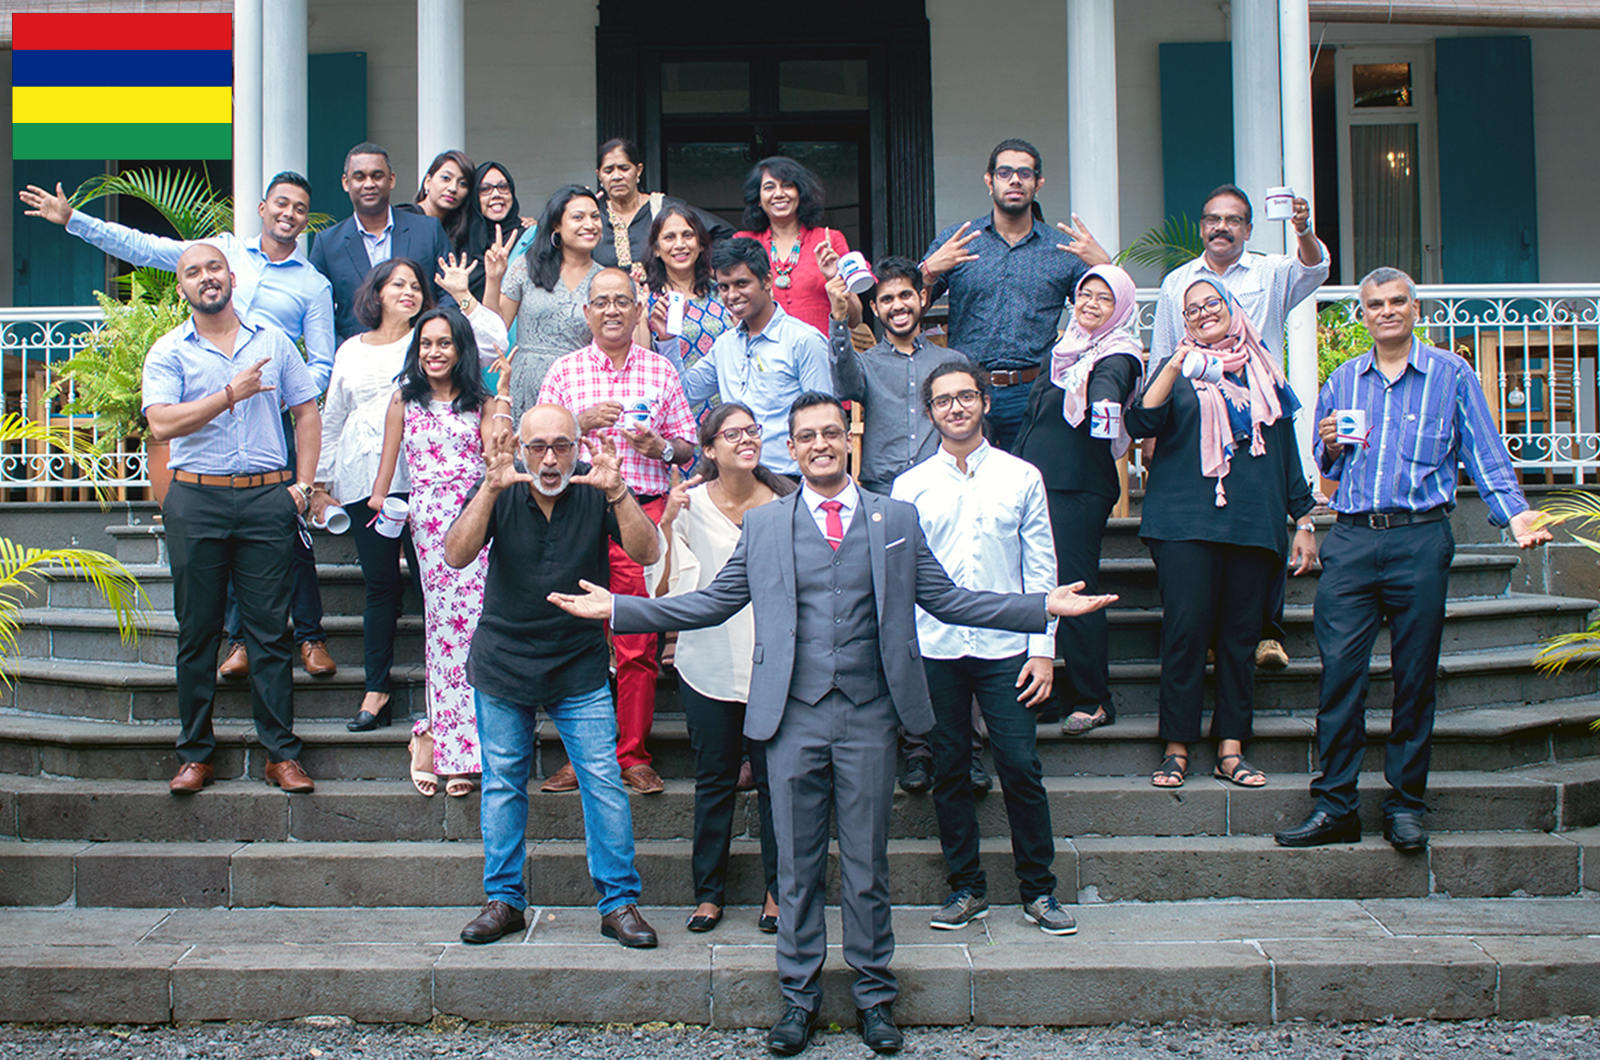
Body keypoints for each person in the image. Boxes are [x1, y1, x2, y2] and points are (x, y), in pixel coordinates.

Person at [549, 392, 1116, 1057]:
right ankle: (798, 999)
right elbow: (712, 602)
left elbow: (948, 598)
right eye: (805, 436)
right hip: (789, 718)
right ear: (791, 447)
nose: (818, 444)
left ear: (847, 439)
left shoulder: (894, 517)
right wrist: (620, 608)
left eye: (829, 433)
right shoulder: (765, 526)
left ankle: (876, 997)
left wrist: (1037, 607)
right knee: (795, 866)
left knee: (868, 866)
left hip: (871, 717)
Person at [21, 171, 339, 679]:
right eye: (282, 203)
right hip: (210, 415)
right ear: (262, 207)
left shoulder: (313, 283)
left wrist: (286, 393)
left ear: (306, 219)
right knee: (225, 527)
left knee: (285, 529)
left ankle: (309, 635)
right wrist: (74, 220)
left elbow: (323, 358)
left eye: (300, 207)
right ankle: (237, 640)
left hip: (269, 413)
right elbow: (143, 246)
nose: (289, 214)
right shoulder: (219, 253)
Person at [1275, 268, 1551, 852]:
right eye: (1374, 304)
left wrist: (1516, 515)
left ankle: (1405, 805)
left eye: (1397, 301)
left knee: (1415, 678)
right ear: (1363, 314)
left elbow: (1484, 452)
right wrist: (1327, 442)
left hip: (1420, 539)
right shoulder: (1343, 380)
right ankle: (1335, 806)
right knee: (1340, 677)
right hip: (1350, 541)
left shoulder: (1451, 374)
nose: (1386, 311)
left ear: (1415, 308)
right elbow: (1327, 474)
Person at [444, 406, 660, 950]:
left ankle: (619, 903)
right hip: (503, 659)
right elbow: (455, 554)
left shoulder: (594, 488)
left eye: (562, 446)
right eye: (537, 446)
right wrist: (489, 492)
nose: (548, 458)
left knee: (603, 781)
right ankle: (504, 901)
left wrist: (617, 492)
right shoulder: (500, 485)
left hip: (577, 662)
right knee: (502, 783)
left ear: (578, 447)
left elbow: (648, 550)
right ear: (519, 445)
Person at [892, 362, 1077, 937]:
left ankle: (1039, 891)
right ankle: (966, 887)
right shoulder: (910, 486)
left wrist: (1042, 649)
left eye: (966, 396)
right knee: (949, 770)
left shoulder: (1021, 476)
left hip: (1006, 648)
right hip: (937, 648)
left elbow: (1041, 567)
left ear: (985, 403)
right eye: (943, 400)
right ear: (929, 412)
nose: (956, 408)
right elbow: (901, 577)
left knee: (1020, 765)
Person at [142, 243, 322, 796]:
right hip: (196, 500)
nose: (206, 278)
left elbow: (307, 411)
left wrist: (303, 486)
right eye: (193, 272)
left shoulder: (271, 341)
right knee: (197, 632)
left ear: (231, 276)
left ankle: (281, 755)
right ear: (182, 289)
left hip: (267, 499)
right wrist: (228, 394)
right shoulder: (169, 351)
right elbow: (162, 424)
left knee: (271, 633)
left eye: (213, 268)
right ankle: (196, 754)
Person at [1123, 279, 1317, 790]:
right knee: (1185, 634)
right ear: (1182, 323)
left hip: (1254, 520)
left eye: (1213, 304)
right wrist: (1172, 361)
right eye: (1192, 311)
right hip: (1184, 522)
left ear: (1233, 309)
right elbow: (1141, 420)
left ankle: (1231, 747)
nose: (1204, 313)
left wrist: (1305, 520)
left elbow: (1286, 453)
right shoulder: (1178, 372)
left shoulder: (1265, 372)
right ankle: (1176, 747)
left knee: (1239, 640)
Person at [314, 255, 508, 735]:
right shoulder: (353, 352)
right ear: (375, 292)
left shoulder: (439, 340)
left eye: (416, 284)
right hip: (372, 482)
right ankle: (377, 691)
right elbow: (333, 415)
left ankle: (469, 699)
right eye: (396, 283)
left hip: (443, 493)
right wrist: (321, 484)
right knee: (381, 587)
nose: (408, 291)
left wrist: (465, 294)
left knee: (451, 597)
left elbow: (488, 344)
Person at [1150, 183, 1331, 670]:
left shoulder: (1271, 271)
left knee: (1263, 518)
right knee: (1213, 532)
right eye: (1213, 219)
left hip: (1258, 408)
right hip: (1201, 415)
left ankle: (1266, 632)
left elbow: (1314, 268)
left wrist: (1303, 230)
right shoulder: (1177, 282)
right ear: (1203, 226)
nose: (1221, 227)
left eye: (1233, 220)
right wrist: (1154, 430)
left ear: (1248, 229)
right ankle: (1213, 636)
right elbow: (1165, 350)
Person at [537, 268, 698, 795]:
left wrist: (661, 448)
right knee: (575, 637)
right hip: (577, 511)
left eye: (621, 302)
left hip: (640, 513)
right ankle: (579, 757)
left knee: (635, 638)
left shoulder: (661, 372)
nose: (611, 310)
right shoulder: (564, 372)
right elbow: (535, 441)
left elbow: (689, 448)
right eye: (601, 301)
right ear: (586, 313)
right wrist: (578, 423)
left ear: (636, 311)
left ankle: (631, 753)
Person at [825, 255, 979, 791]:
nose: (896, 306)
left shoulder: (952, 360)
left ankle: (966, 746)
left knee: (956, 609)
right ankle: (915, 747)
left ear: (922, 300)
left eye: (905, 296)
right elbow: (840, 377)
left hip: (948, 499)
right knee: (900, 622)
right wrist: (838, 314)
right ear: (877, 306)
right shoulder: (867, 364)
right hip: (888, 500)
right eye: (886, 299)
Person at [645, 403, 789, 933]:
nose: (745, 440)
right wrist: (664, 518)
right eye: (732, 434)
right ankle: (709, 894)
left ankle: (778, 892)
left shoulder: (785, 503)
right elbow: (659, 588)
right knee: (714, 781)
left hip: (775, 662)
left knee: (778, 784)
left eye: (753, 431)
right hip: (707, 662)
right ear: (708, 448)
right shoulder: (689, 503)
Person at [368, 307, 509, 797]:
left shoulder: (482, 402)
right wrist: (385, 514)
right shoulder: (402, 402)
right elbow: (383, 483)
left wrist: (505, 393)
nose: (434, 352)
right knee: (444, 633)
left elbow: (500, 456)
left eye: (445, 343)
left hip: (478, 516)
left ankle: (469, 747)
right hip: (429, 525)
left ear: (461, 348)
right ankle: (439, 743)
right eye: (426, 344)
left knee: (480, 630)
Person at [1012, 264, 1145, 735]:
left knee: (1075, 588)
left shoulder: (1118, 354)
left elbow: (1110, 384)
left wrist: (1104, 404)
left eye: (1103, 298)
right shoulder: (1065, 351)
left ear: (1120, 308)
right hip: (1038, 487)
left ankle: (1094, 697)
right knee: (1042, 587)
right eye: (1085, 294)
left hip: (1076, 489)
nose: (1090, 304)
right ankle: (1054, 691)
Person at [919, 138, 1111, 448]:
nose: (1014, 180)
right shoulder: (960, 241)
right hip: (966, 389)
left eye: (1025, 173)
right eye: (1004, 172)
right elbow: (911, 308)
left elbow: (1107, 313)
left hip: (1034, 390)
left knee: (1031, 484)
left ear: (1039, 183)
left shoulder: (1062, 249)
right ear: (989, 180)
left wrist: (1105, 266)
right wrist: (927, 271)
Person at [660, 238, 831, 478]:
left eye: (742, 283)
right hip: (736, 481)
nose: (732, 295)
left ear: (767, 281)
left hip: (789, 481)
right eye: (724, 287)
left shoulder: (804, 341)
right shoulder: (725, 345)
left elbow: (821, 420)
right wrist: (668, 341)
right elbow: (684, 394)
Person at [309, 142, 455, 343]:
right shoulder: (327, 243)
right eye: (359, 177)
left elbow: (450, 291)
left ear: (391, 179)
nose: (369, 184)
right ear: (346, 183)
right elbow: (317, 312)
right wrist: (345, 350)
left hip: (420, 355)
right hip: (357, 360)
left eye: (377, 176)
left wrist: (431, 337)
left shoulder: (428, 230)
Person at [498, 185, 605, 419]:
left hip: (580, 388)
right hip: (526, 388)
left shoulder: (604, 280)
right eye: (578, 217)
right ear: (557, 224)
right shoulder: (527, 267)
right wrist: (492, 279)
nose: (590, 224)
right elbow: (495, 329)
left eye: (595, 217)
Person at [734, 155, 862, 333]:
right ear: (757, 198)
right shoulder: (743, 243)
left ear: (801, 193)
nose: (779, 194)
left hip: (821, 355)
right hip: (763, 356)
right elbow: (734, 316)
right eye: (769, 187)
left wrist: (834, 280)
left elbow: (855, 319)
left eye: (787, 185)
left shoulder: (829, 240)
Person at [638, 204, 735, 422]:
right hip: (675, 420)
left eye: (688, 235)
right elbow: (640, 366)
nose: (679, 245)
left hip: (728, 415)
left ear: (701, 244)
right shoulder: (648, 302)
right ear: (656, 248)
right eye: (669, 237)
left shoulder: (723, 293)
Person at [593, 137, 733, 273]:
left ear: (639, 170)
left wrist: (703, 269)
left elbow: (724, 234)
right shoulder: (593, 217)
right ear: (599, 175)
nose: (616, 176)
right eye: (608, 171)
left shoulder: (664, 207)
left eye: (624, 168)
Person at [461, 160, 537, 304]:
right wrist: (466, 306)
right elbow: (458, 300)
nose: (496, 194)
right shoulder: (462, 240)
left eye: (503, 187)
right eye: (485, 189)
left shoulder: (530, 237)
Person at [399, 149, 474, 252]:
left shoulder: (460, 230)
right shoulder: (402, 219)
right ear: (427, 182)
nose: (453, 188)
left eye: (462, 184)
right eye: (446, 178)